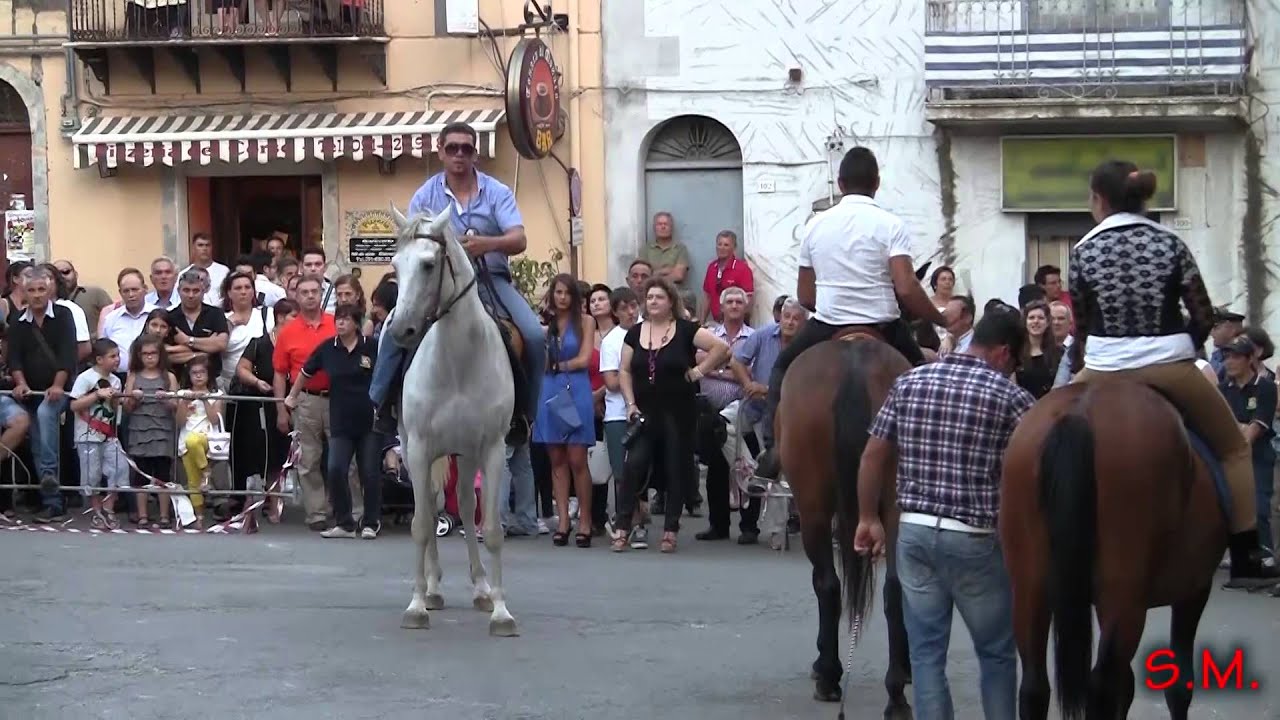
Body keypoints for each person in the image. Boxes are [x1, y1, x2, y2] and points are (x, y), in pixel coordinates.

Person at [1067, 159, 1279, 585]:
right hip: (1168, 365)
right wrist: (1185, 346)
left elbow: (1082, 326)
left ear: (1100, 200)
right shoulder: (1170, 242)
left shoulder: (1082, 250)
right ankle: (1246, 555)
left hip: (1104, 368)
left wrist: (1082, 368)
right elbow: (1201, 313)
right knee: (1233, 449)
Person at [853, 310, 1032, 720]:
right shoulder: (1011, 397)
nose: (1014, 370)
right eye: (1016, 363)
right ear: (1004, 353)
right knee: (996, 654)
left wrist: (868, 517)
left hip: (913, 531)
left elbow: (873, 456)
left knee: (927, 654)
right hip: (974, 536)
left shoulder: (910, 381)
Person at [754, 146, 947, 479]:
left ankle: (773, 451)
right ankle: (935, 455)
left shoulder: (815, 225)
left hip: (829, 324)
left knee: (783, 368)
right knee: (922, 374)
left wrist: (834, 304)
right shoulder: (891, 224)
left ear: (840, 183)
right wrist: (942, 318)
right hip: (884, 324)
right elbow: (905, 288)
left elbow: (805, 296)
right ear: (877, 183)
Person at [372, 120, 544, 440]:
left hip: (491, 279)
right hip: (440, 285)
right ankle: (382, 403)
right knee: (398, 327)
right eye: (453, 148)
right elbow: (412, 242)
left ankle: (524, 415)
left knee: (533, 335)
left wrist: (486, 245)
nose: (459, 155)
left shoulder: (497, 192)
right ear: (441, 152)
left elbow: (519, 239)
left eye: (466, 148)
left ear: (475, 154)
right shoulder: (425, 196)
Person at [610, 277, 733, 554]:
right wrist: (630, 403)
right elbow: (625, 370)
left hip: (679, 410)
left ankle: (670, 529)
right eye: (650, 297)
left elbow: (721, 349)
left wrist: (699, 372)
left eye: (659, 297)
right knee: (634, 466)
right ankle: (622, 526)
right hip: (645, 411)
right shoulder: (635, 333)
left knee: (676, 467)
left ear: (671, 302)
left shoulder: (686, 329)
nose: (653, 301)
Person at [285, 303, 383, 539]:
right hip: (340, 419)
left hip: (370, 419)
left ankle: (371, 521)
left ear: (356, 323)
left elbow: (386, 374)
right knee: (336, 468)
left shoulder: (371, 346)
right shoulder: (328, 348)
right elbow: (306, 371)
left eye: (346, 319)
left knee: (369, 472)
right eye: (338, 319)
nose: (340, 323)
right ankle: (345, 523)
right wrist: (292, 395)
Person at [8, 267, 79, 523]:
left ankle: (51, 487)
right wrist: (21, 383)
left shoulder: (63, 316)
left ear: (50, 290)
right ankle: (52, 500)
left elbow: (67, 356)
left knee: (45, 415)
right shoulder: (17, 321)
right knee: (37, 441)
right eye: (31, 290)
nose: (37, 295)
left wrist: (58, 385)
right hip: (33, 391)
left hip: (61, 390)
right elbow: (14, 358)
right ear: (24, 292)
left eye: (41, 289)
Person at [534, 275, 598, 547]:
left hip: (576, 388)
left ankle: (585, 520)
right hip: (549, 389)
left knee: (577, 459)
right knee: (556, 458)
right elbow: (540, 361)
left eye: (567, 293)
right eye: (557, 292)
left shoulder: (585, 321)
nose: (562, 297)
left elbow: (584, 359)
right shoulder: (546, 326)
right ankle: (562, 520)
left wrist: (559, 366)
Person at [1218, 335, 1277, 560]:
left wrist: (1239, 429)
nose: (1229, 362)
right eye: (1226, 357)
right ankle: (1244, 562)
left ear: (1250, 359)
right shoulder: (1222, 389)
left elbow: (1256, 428)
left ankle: (1266, 558)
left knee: (1259, 508)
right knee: (1233, 507)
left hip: (1258, 456)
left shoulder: (1265, 387)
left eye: (1236, 357)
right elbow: (1218, 424)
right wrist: (1239, 427)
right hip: (1230, 456)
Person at [69, 338, 131, 530]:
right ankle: (95, 509)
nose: (117, 360)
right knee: (91, 474)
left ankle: (109, 506)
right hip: (88, 435)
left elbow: (114, 408)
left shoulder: (116, 380)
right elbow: (73, 405)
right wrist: (96, 395)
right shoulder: (85, 378)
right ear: (99, 359)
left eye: (118, 355)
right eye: (112, 356)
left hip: (110, 434)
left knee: (120, 469)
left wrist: (118, 399)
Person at [176, 354, 223, 527]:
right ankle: (200, 516)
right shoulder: (182, 393)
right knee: (192, 481)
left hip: (207, 438)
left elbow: (215, 420)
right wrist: (184, 402)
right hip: (185, 439)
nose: (198, 376)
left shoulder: (217, 394)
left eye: (202, 372)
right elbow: (179, 422)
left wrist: (204, 400)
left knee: (193, 440)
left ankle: (206, 471)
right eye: (194, 373)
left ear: (208, 374)